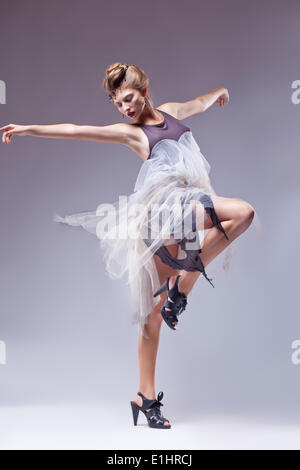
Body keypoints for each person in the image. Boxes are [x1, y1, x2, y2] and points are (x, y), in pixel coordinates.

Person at [0, 62, 261, 429]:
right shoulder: (132, 134)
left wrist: (217, 93)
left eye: (128, 100)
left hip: (184, 209)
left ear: (143, 91)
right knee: (243, 213)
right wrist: (28, 129)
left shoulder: (169, 111)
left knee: (154, 310)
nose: (125, 109)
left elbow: (196, 104)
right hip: (164, 212)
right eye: (118, 105)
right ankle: (180, 290)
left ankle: (145, 396)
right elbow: (78, 131)